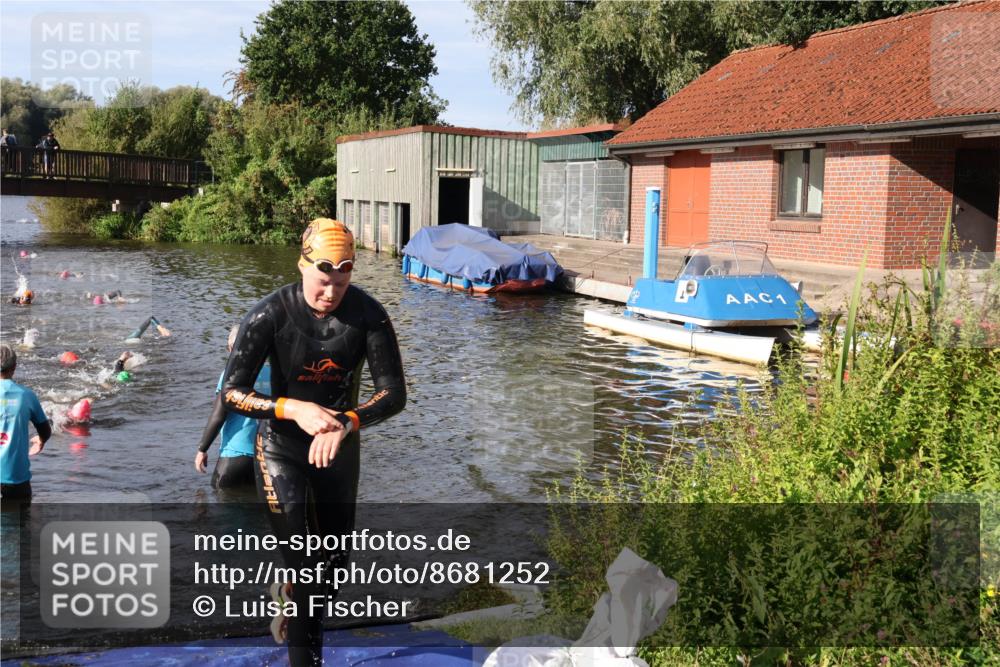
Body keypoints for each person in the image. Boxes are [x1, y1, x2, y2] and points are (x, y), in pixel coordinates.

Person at [221, 217, 406, 666]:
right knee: (306, 565)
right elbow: (232, 391)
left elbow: (393, 393)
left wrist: (347, 421)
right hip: (281, 448)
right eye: (324, 281)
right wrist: (292, 408)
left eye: (341, 283)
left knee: (333, 568)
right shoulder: (269, 314)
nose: (331, 293)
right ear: (302, 266)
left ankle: (289, 597)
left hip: (338, 449)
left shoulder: (368, 314)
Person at [194, 325, 271, 489]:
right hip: (267, 457)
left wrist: (202, 449)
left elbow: (219, 415)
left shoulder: (230, 376)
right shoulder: (273, 374)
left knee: (220, 503)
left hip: (235, 454)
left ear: (231, 349)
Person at [1, 345, 51, 501]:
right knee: (19, 522)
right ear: (14, 367)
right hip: (16, 480)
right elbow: (45, 431)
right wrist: (41, 439)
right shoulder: (26, 396)